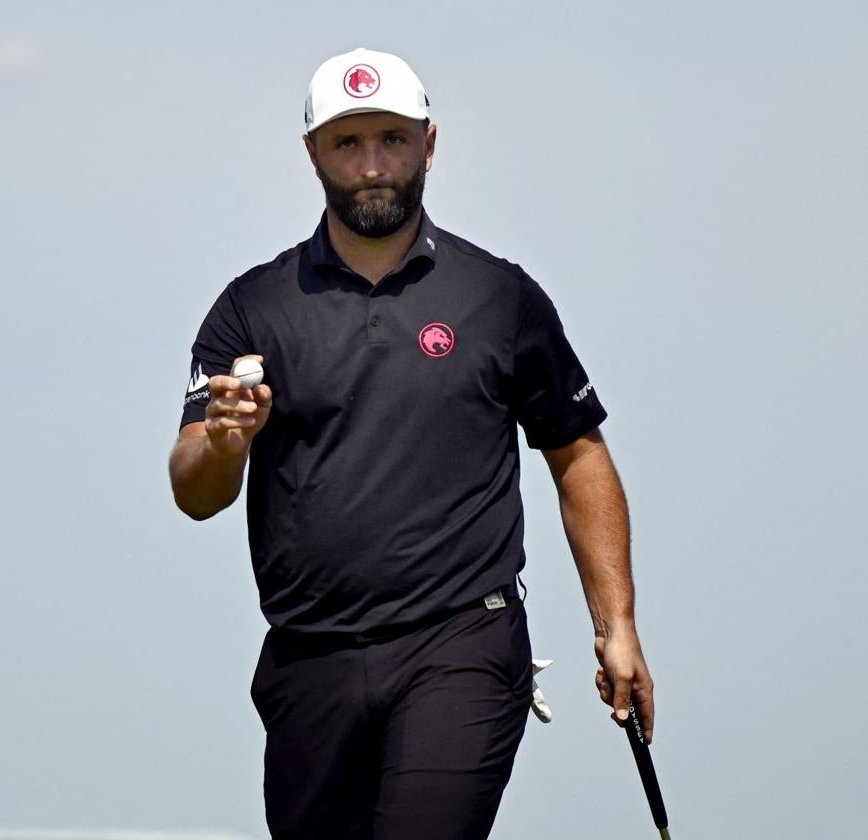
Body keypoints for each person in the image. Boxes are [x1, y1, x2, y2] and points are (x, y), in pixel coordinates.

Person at [169, 47, 656, 840]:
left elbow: (578, 455)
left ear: (430, 144)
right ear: (313, 155)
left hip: (462, 641)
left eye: (392, 139)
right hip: (310, 660)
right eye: (348, 144)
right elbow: (195, 491)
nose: (372, 166)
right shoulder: (251, 308)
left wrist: (616, 625)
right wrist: (227, 442)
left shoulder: (499, 295)